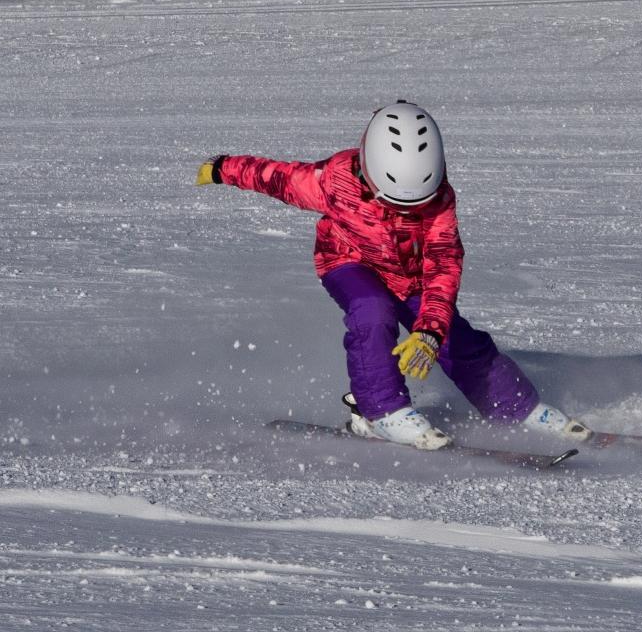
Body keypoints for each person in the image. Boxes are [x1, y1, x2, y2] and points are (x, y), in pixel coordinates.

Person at [196, 101, 590, 450]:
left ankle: (517, 410)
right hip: (347, 261)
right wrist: (222, 168)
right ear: (369, 172)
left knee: (455, 336)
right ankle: (379, 413)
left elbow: (443, 265)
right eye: (395, 202)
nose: (406, 212)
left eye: (417, 204)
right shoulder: (335, 180)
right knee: (372, 311)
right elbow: (277, 177)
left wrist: (430, 331)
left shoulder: (441, 203)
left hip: (412, 276)